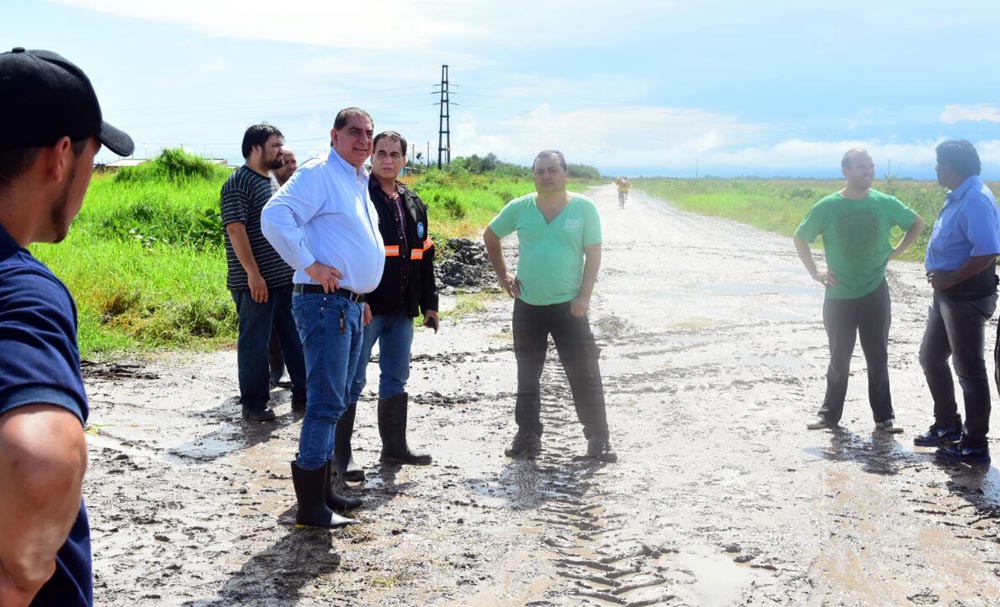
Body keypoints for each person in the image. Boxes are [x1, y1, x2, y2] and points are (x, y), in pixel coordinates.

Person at [0, 46, 134, 607]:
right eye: (93, 160)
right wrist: (16, 582)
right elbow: (39, 459)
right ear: (60, 158)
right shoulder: (20, 287)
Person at [261, 108, 384, 527]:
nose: (364, 140)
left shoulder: (355, 179)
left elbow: (347, 242)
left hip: (346, 303)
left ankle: (324, 491)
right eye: (355, 132)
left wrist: (360, 293)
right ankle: (311, 508)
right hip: (323, 302)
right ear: (334, 135)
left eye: (369, 133)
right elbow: (274, 216)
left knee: (342, 395)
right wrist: (310, 264)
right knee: (325, 400)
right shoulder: (319, 173)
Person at [484, 149, 617, 463]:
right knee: (528, 375)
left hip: (570, 308)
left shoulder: (584, 208)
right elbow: (490, 236)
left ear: (565, 174)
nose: (546, 176)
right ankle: (528, 435)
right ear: (534, 176)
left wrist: (584, 297)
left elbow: (593, 255)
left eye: (552, 170)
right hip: (528, 306)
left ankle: (599, 438)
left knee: (584, 374)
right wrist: (504, 276)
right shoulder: (520, 208)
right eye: (540, 171)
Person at [793, 148, 924, 433]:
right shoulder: (827, 206)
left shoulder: (884, 202)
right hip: (838, 295)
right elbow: (801, 238)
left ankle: (884, 418)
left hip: (875, 291)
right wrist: (816, 272)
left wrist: (896, 251)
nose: (868, 172)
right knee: (839, 356)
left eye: (871, 166)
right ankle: (828, 416)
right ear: (846, 170)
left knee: (877, 355)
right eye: (862, 167)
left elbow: (916, 223)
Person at [341, 131, 435, 481]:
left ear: (404, 160)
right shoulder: (359, 196)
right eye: (381, 153)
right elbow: (349, 251)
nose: (387, 160)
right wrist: (359, 298)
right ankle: (342, 456)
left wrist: (430, 304)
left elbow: (424, 255)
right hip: (369, 307)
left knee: (396, 379)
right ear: (371, 157)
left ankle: (394, 447)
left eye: (395, 154)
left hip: (403, 310)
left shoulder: (412, 200)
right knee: (351, 381)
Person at [915, 140, 1000, 463]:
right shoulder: (960, 195)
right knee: (931, 357)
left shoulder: (975, 199)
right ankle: (948, 424)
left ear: (953, 167)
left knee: (969, 370)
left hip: (965, 295)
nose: (936, 168)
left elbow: (988, 250)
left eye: (939, 163)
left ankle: (975, 443)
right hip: (947, 294)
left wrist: (950, 279)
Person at [221, 125, 307, 422]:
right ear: (256, 148)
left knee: (293, 338)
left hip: (283, 279)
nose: (281, 151)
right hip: (256, 283)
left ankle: (304, 394)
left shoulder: (269, 179)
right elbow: (236, 229)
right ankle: (255, 406)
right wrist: (253, 275)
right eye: (275, 146)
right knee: (255, 344)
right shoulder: (237, 183)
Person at [267, 148, 297, 388]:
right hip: (272, 271)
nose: (291, 165)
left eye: (294, 161)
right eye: (286, 162)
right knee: (277, 327)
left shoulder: (298, 190)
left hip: (294, 269)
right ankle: (278, 370)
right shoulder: (269, 189)